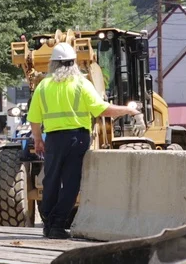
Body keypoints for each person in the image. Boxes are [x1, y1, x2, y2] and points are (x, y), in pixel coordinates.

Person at [27, 42, 145, 239]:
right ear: (73, 63)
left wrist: (38, 139)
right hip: (76, 139)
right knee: (71, 183)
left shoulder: (43, 86)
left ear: (53, 64)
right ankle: (57, 225)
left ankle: (48, 224)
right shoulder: (82, 84)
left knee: (51, 181)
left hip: (54, 140)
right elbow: (102, 109)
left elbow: (34, 118)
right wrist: (129, 110)